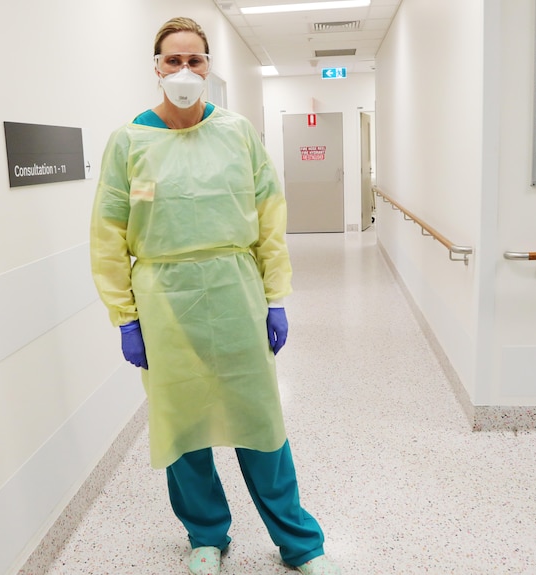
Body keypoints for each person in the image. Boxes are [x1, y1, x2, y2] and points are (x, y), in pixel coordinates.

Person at [89, 16, 341, 575]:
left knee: (261, 424)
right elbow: (107, 235)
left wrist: (275, 296)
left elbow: (270, 219)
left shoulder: (238, 133)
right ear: (156, 68)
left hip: (235, 292)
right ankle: (206, 534)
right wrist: (125, 316)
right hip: (163, 300)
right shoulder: (129, 143)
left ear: (208, 67)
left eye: (194, 60)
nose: (184, 70)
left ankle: (300, 542)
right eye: (173, 60)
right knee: (182, 429)